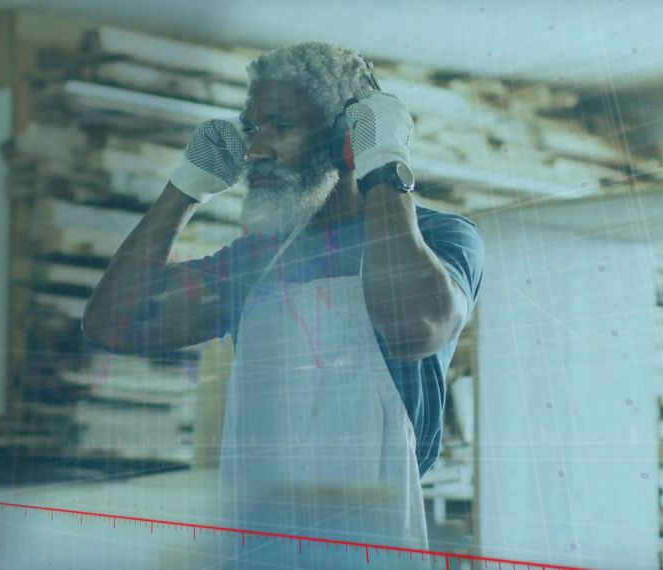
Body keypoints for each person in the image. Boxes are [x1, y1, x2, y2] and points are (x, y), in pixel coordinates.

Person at [82, 41, 484, 568]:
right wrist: (183, 189)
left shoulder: (440, 237)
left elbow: (416, 325)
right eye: (251, 128)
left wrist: (383, 167)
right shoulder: (256, 260)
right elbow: (115, 324)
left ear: (347, 137)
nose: (254, 150)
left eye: (279, 126)